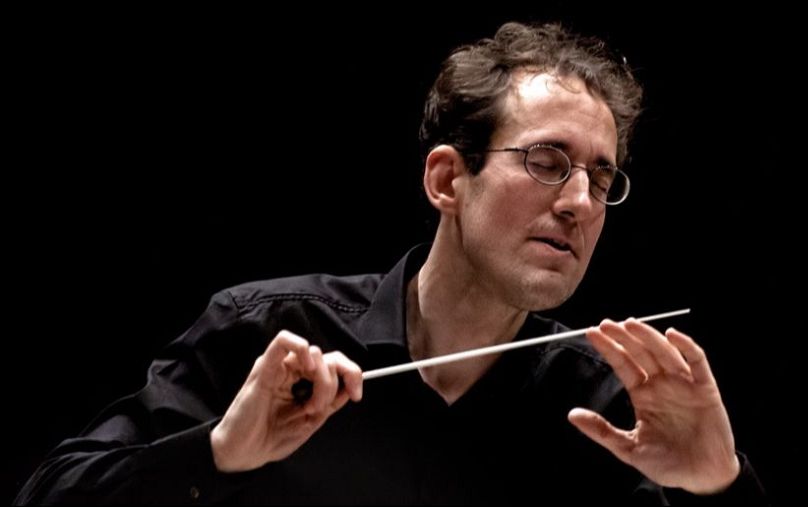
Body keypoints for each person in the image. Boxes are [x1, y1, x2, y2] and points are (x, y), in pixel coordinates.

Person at [16, 21, 766, 505]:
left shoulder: (608, 403)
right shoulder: (270, 334)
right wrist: (214, 453)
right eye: (547, 161)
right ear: (447, 180)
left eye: (601, 179)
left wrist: (721, 487)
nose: (579, 202)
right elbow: (49, 492)